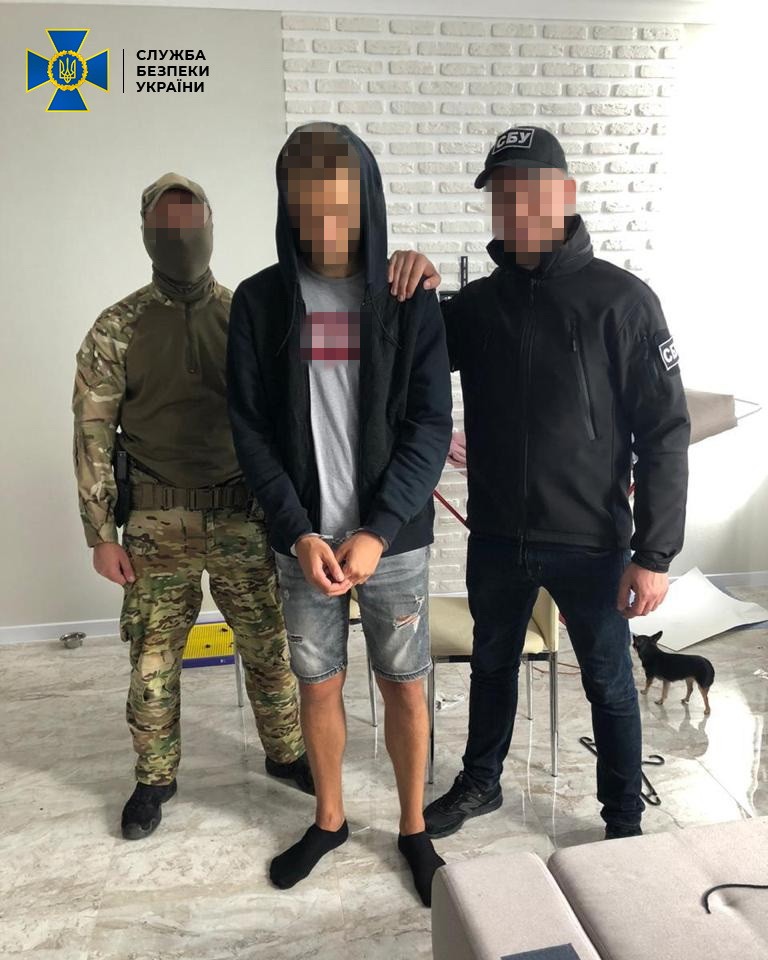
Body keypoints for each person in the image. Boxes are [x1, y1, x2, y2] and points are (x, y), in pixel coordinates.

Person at [388, 125, 690, 841]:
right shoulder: (477, 307)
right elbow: (402, 358)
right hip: (496, 535)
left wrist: (655, 554)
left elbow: (665, 433)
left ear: (565, 194)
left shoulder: (624, 301)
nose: (514, 209)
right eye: (501, 196)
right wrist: (410, 279)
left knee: (609, 684)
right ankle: (481, 783)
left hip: (593, 543)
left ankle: (622, 821)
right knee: (491, 666)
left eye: (528, 192)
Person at [227, 122, 453, 904]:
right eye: (307, 209)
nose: (325, 227)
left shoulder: (407, 298)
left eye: (340, 208)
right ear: (286, 207)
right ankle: (329, 820)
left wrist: (378, 530)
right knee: (318, 686)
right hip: (304, 543)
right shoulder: (259, 303)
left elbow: (430, 426)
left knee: (405, 687)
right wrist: (296, 531)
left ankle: (413, 827)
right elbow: (250, 431)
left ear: (365, 201)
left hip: (393, 542)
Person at [72, 172, 312, 841]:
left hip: (243, 515)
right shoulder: (117, 327)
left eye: (191, 222)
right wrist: (100, 533)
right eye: (166, 225)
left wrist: (295, 517)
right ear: (146, 232)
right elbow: (92, 432)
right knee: (153, 663)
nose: (180, 237)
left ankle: (287, 754)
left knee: (269, 649)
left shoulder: (245, 315)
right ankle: (155, 779)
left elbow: (286, 419)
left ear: (211, 226)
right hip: (155, 524)